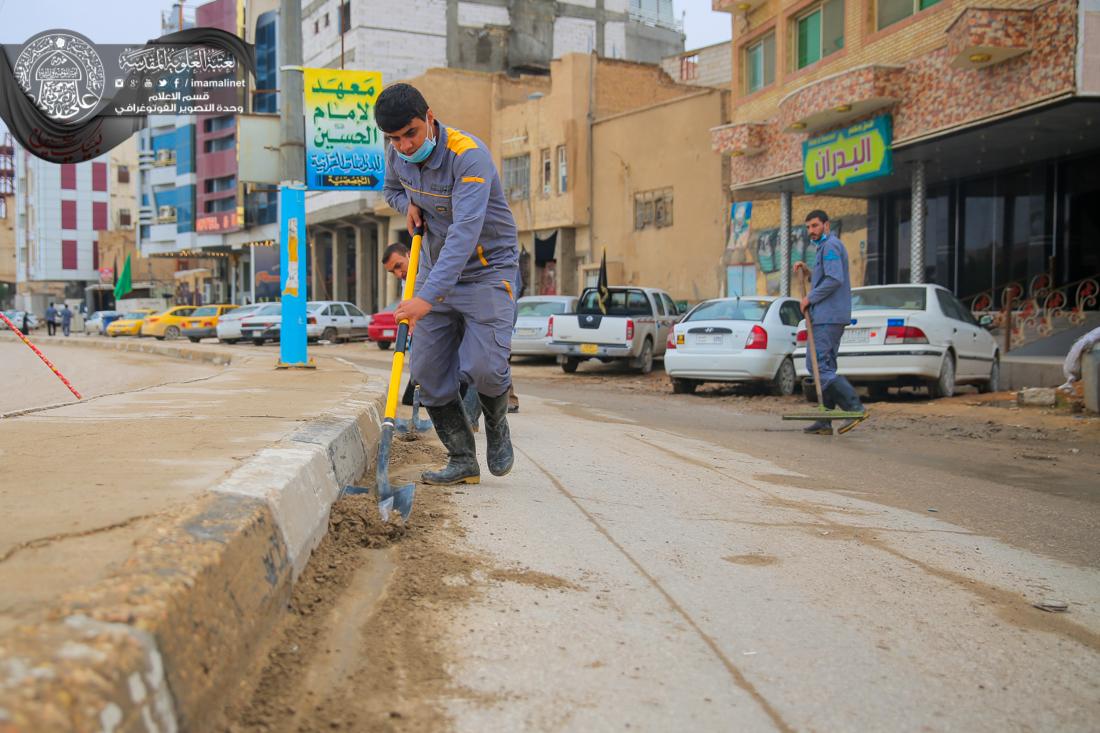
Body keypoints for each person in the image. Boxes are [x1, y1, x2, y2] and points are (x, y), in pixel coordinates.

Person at [379, 82, 518, 485]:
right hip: (435, 269)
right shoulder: (395, 155)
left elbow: (464, 234)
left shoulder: (468, 156)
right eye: (395, 139)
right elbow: (390, 190)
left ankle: (496, 426)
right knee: (427, 371)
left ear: (430, 119)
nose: (404, 146)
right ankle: (462, 459)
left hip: (487, 271)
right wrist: (408, 206)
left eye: (411, 134)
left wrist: (425, 299)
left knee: (484, 368)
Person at [796, 210, 867, 436]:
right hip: (828, 316)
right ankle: (825, 420)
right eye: (808, 227)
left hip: (828, 317)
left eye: (815, 226)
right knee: (824, 366)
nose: (811, 231)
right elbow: (826, 275)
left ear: (826, 225)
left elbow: (835, 279)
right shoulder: (825, 248)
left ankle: (854, 407)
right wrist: (808, 272)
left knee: (816, 365)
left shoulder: (831, 246)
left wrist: (810, 298)